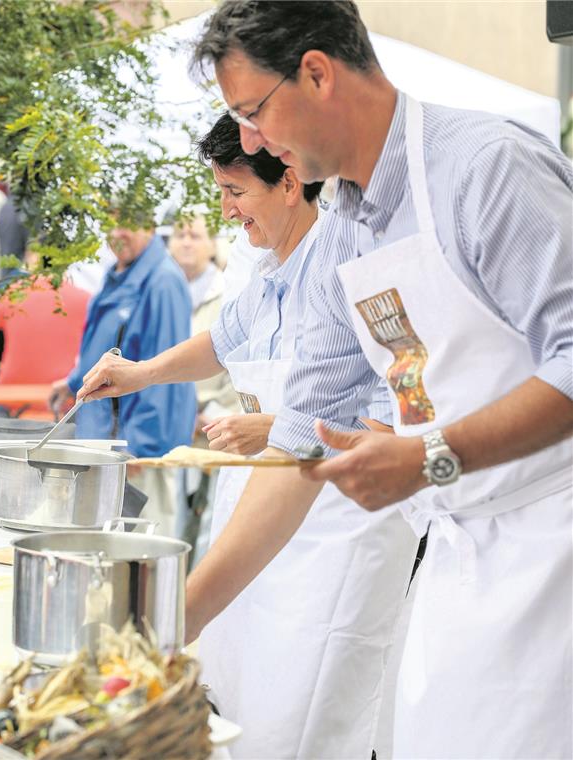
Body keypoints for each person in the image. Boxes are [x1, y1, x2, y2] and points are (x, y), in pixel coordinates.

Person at [182, 2, 572, 758]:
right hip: (462, 556)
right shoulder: (344, 232)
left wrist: (431, 455)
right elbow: (297, 448)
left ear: (318, 73)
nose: (252, 142)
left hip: (556, 542)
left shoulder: (483, 168)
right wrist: (177, 622)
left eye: (252, 113)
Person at [77, 113, 418, 759]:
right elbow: (226, 340)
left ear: (290, 179)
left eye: (236, 193)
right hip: (262, 500)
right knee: (238, 693)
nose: (229, 212)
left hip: (341, 520)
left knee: (307, 713)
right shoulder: (270, 264)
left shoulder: (349, 257)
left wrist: (279, 426)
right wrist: (140, 373)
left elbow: (388, 407)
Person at [50, 216, 196, 535]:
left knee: (142, 553)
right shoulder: (116, 273)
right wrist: (75, 381)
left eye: (128, 222)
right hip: (105, 441)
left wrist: (143, 449)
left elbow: (166, 370)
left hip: (139, 452)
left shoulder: (162, 282)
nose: (118, 233)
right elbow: (107, 346)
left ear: (151, 226)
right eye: (111, 223)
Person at [169, 215, 240, 557]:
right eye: (180, 234)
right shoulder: (165, 288)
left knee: (211, 517)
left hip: (217, 420)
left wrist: (213, 413)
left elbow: (236, 361)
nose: (186, 242)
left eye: (195, 235)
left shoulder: (228, 291)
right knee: (175, 516)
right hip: (176, 421)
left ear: (212, 244)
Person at [0, 251, 90, 411]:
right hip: (64, 398)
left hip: (11, 398)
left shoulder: (8, 296)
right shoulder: (85, 300)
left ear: (30, 261)